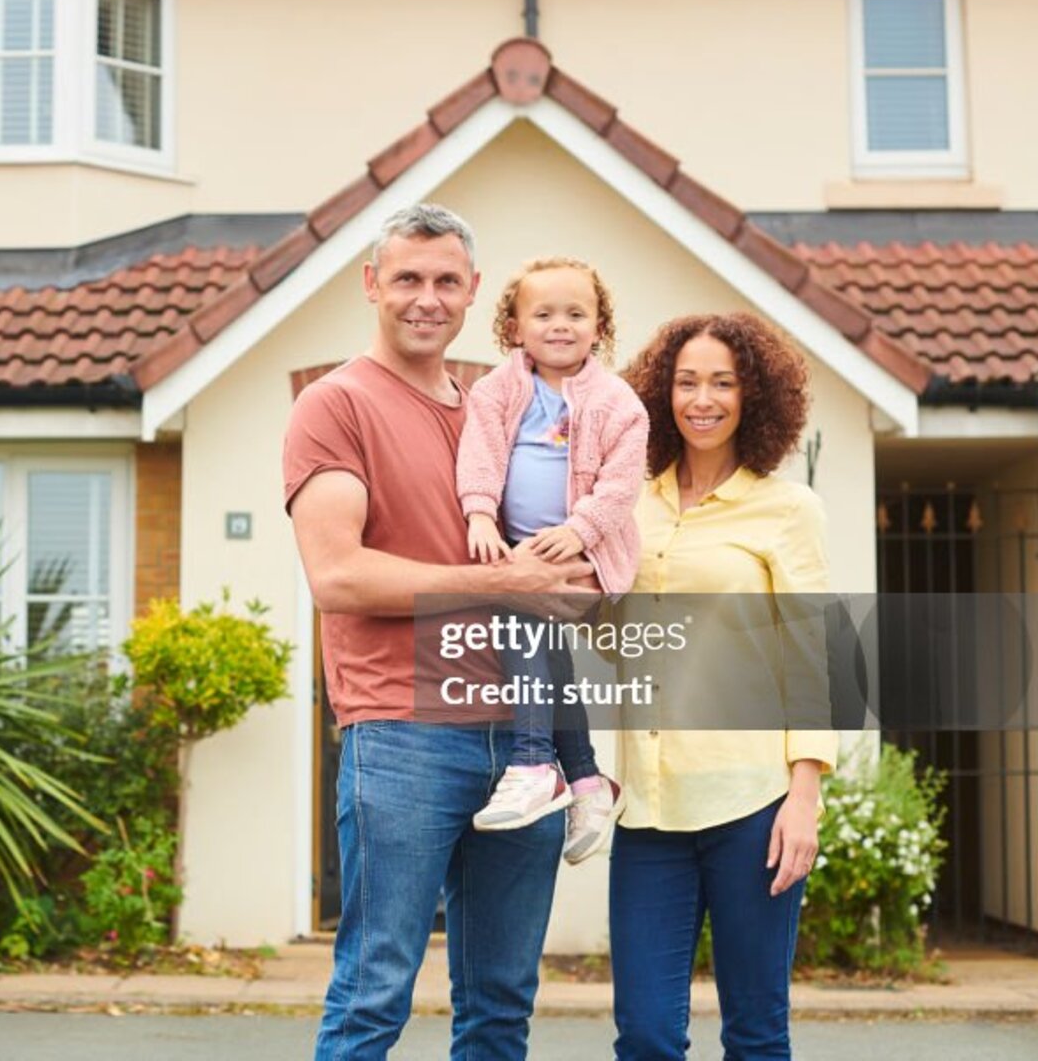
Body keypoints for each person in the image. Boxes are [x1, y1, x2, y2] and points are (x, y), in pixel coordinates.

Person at [284, 204, 593, 1061]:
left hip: (524, 749)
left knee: (499, 1006)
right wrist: (507, 581)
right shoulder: (335, 405)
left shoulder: (504, 409)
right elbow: (337, 576)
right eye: (408, 278)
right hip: (403, 735)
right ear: (372, 284)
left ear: (473, 293)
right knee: (375, 989)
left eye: (445, 281)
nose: (427, 298)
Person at [610, 312, 838, 1060]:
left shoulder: (787, 509)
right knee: (645, 1034)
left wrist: (804, 798)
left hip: (754, 807)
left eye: (722, 383)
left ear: (755, 396)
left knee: (756, 1031)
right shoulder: (627, 505)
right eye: (685, 382)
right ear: (660, 394)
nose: (701, 399)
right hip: (647, 810)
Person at [455, 257, 647, 862]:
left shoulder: (619, 403)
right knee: (545, 650)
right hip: (517, 547)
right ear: (514, 327)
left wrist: (580, 529)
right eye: (543, 313)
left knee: (521, 618)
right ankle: (588, 782)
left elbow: (621, 484)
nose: (559, 325)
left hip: (585, 556)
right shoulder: (496, 391)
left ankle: (536, 762)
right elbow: (480, 456)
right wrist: (480, 513)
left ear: (599, 327)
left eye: (576, 313)